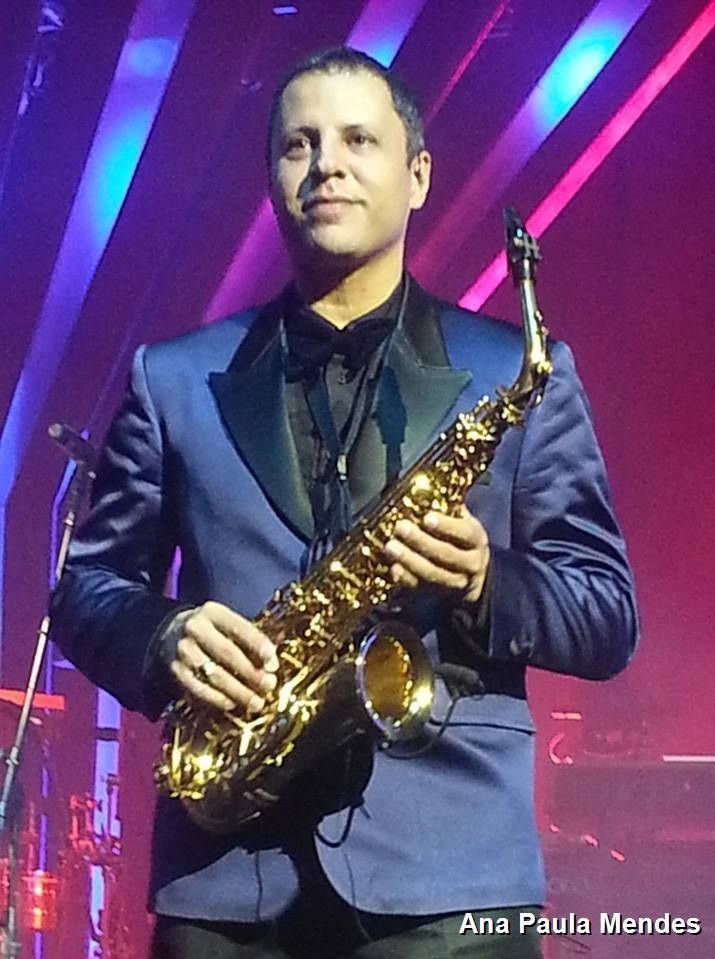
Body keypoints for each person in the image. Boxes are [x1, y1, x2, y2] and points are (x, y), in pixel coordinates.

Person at [50, 47, 639, 959]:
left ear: (418, 175)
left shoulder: (523, 372)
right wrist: (165, 635)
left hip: (453, 886)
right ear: (272, 180)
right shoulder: (171, 377)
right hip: (226, 878)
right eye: (299, 144)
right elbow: (86, 591)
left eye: (359, 139)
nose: (326, 163)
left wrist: (487, 581)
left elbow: (605, 613)